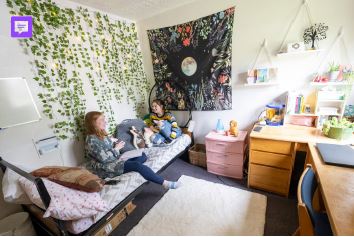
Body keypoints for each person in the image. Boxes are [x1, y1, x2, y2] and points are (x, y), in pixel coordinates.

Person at [84, 111, 180, 189]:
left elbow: (108, 148)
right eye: (101, 120)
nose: (105, 122)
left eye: (104, 119)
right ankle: (165, 183)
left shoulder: (101, 134)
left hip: (115, 160)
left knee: (142, 156)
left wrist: (114, 143)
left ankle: (136, 169)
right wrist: (116, 149)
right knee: (137, 165)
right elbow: (104, 159)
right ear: (93, 123)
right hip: (104, 167)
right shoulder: (91, 140)